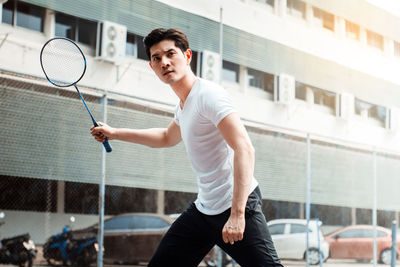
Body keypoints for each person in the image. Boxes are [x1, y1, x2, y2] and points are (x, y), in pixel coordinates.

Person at [91, 28, 283, 267]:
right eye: (156, 58)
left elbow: (244, 148)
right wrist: (115, 133)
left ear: (188, 56)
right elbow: (166, 137)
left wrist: (237, 214)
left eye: (171, 54)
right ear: (152, 67)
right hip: (204, 210)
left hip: (236, 204)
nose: (165, 62)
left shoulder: (209, 96)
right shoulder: (183, 105)